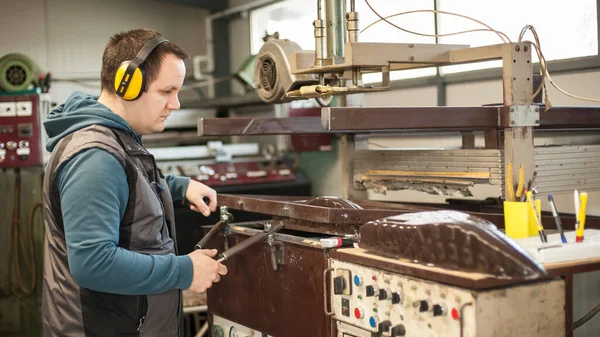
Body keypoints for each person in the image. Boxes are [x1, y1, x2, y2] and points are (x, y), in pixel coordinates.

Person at [41, 28, 227, 337]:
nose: (176, 104)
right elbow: (94, 263)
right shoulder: (94, 157)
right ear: (127, 84)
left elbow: (126, 186)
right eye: (166, 92)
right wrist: (185, 271)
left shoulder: (114, 139)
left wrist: (177, 186)